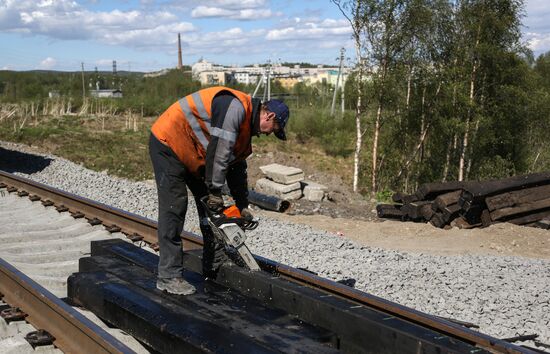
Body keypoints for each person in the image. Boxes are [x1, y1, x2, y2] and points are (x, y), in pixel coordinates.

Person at [148, 86, 290, 295]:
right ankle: (169, 276)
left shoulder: (245, 131)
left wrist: (242, 205)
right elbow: (221, 150)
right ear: (269, 115)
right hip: (170, 142)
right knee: (174, 207)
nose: (269, 134)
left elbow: (237, 167)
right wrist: (214, 191)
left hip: (196, 154)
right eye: (273, 128)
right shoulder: (235, 108)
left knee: (213, 212)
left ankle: (214, 260)